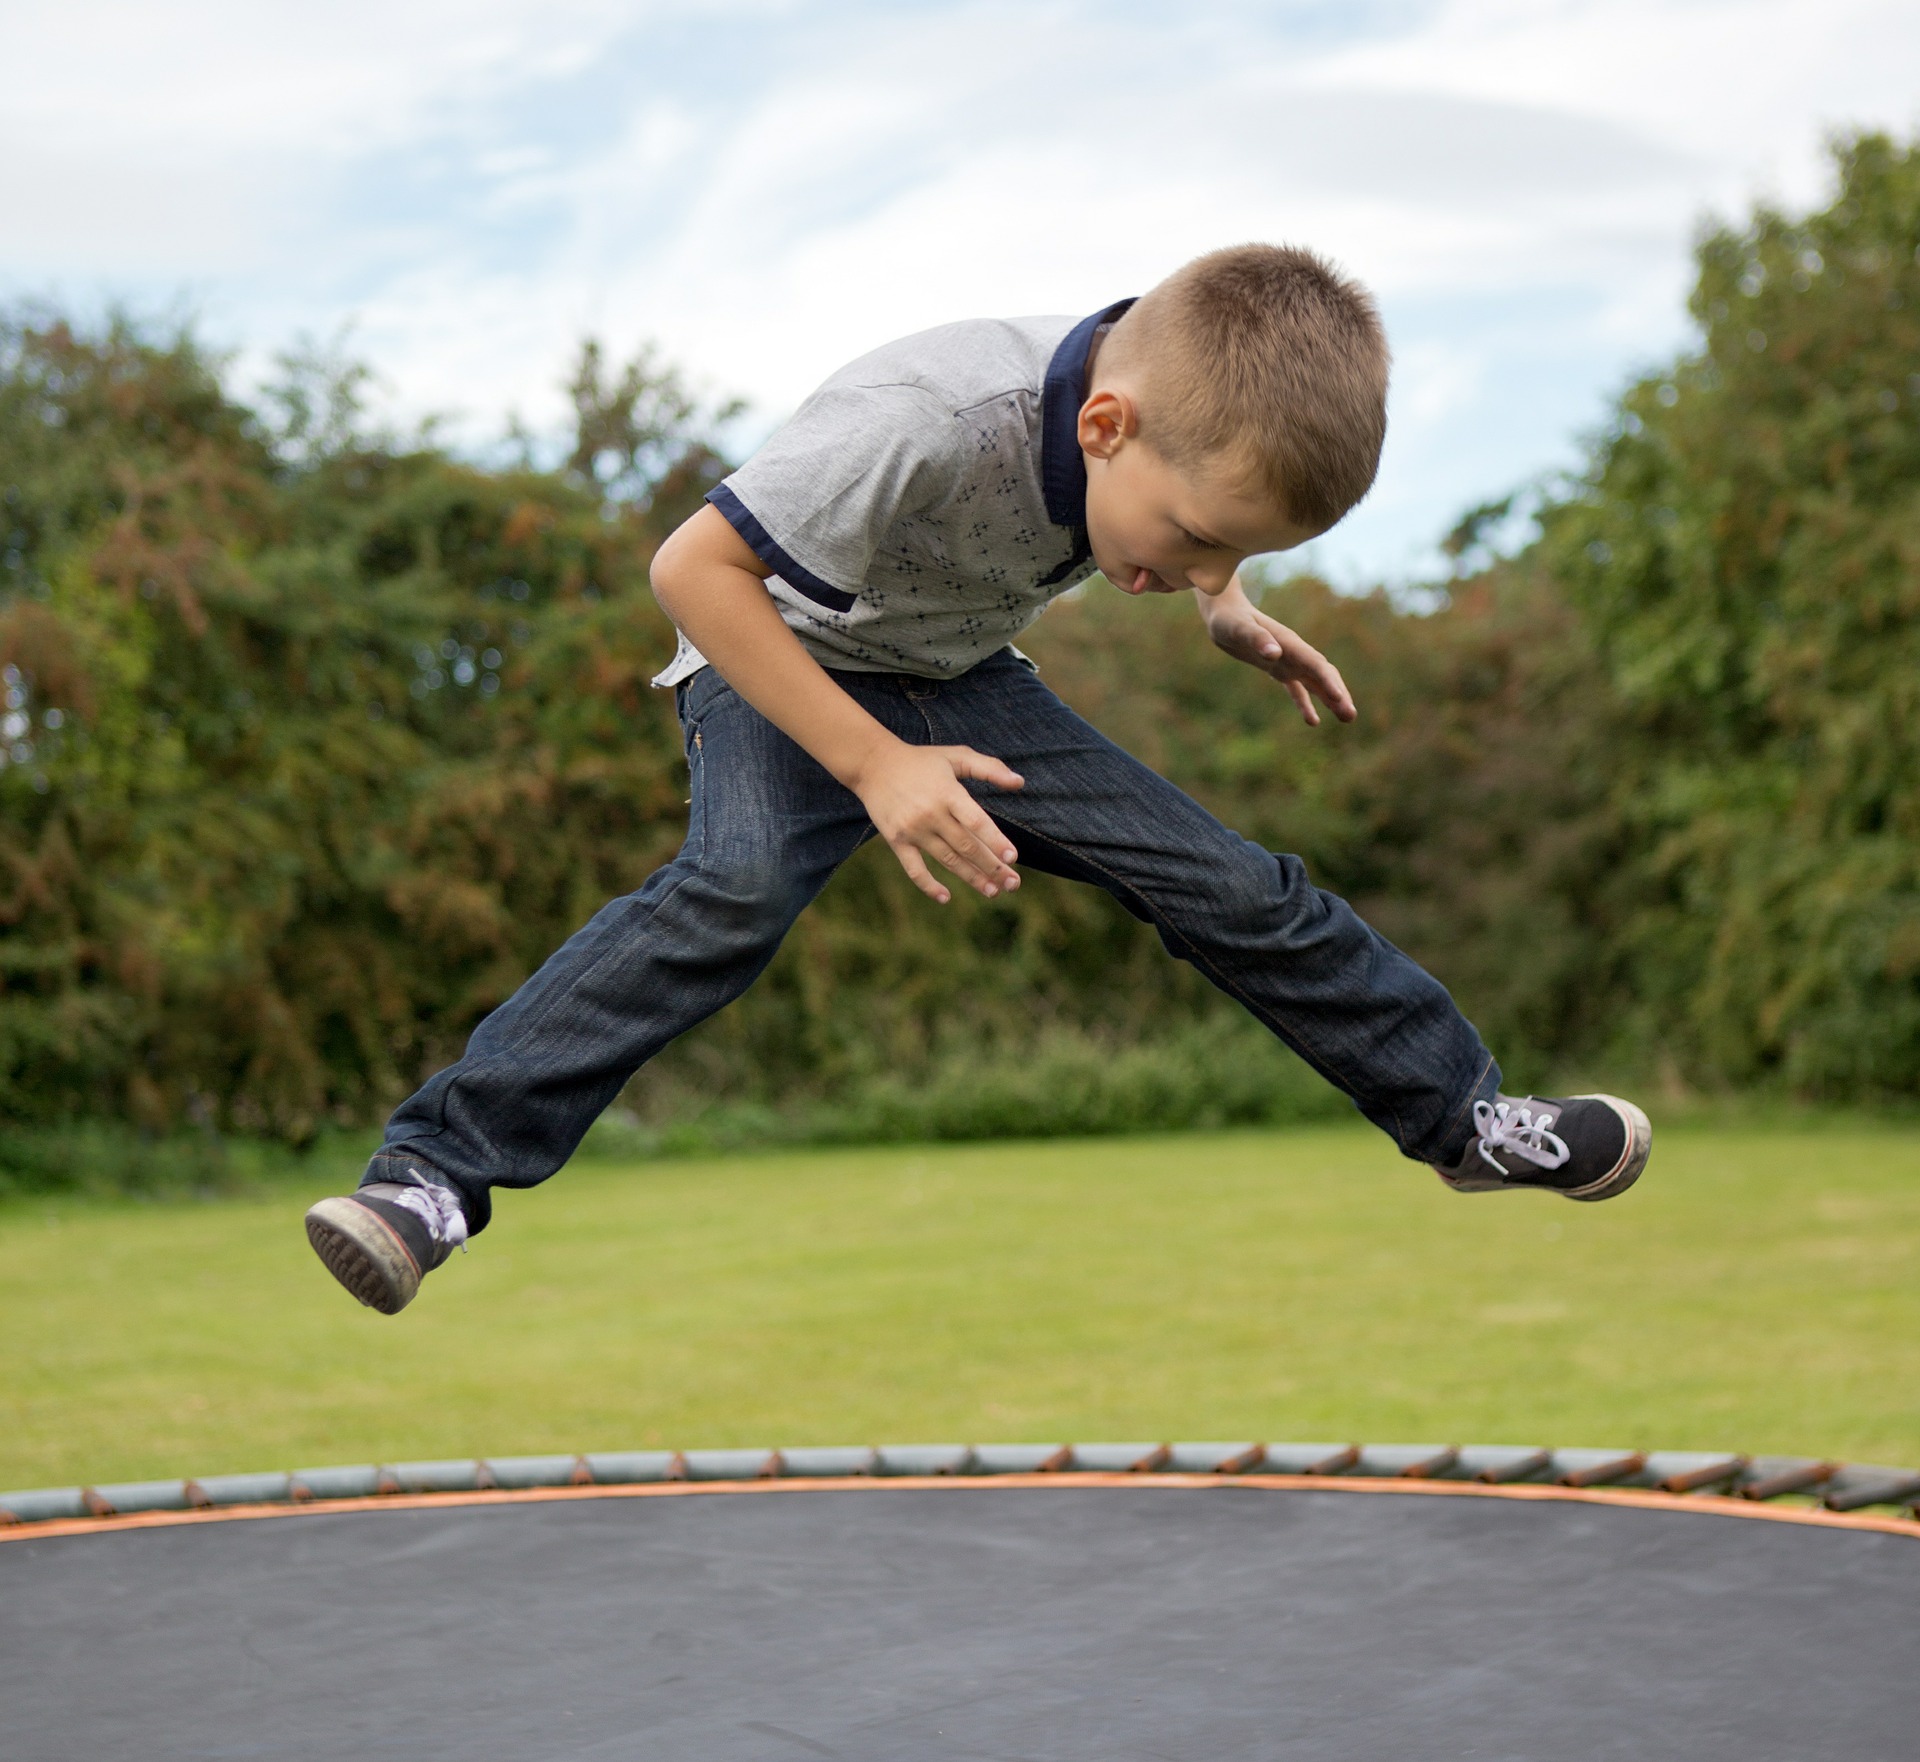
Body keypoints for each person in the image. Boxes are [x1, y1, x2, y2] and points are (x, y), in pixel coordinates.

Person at [304, 245, 1652, 1315]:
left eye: (1221, 552)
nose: (1181, 566)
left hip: (961, 673)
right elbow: (690, 572)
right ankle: (431, 1179)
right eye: (1187, 544)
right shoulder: (927, 421)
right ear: (1105, 425)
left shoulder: (1173, 409)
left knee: (1234, 886)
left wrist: (1221, 603)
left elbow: (1199, 493)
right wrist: (874, 762)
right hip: (775, 662)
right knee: (736, 882)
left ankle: (1467, 1120)